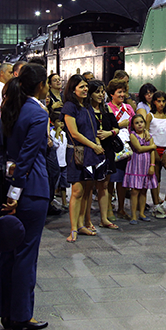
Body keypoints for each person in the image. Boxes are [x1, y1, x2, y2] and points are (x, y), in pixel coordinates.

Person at [0, 63, 53, 330]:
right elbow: (28, 158)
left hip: (8, 189)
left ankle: (7, 313)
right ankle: (21, 315)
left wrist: (8, 173)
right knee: (26, 254)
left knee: (8, 252)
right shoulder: (38, 114)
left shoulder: (10, 108)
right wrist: (16, 193)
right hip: (30, 191)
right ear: (41, 86)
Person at [61, 75, 106, 242]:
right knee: (77, 190)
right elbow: (74, 133)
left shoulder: (86, 107)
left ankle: (81, 224)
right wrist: (93, 145)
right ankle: (73, 228)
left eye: (86, 86)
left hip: (91, 154)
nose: (85, 89)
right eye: (81, 87)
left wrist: (97, 145)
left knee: (87, 190)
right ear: (73, 89)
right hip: (77, 153)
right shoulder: (69, 107)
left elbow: (93, 130)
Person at [87, 79, 120, 230]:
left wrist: (109, 133)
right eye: (97, 92)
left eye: (102, 92)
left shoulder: (107, 109)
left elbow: (117, 128)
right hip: (92, 150)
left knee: (104, 185)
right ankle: (87, 220)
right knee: (88, 187)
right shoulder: (86, 110)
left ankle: (104, 218)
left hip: (107, 150)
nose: (101, 95)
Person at [106, 78, 134, 219]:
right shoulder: (107, 108)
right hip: (113, 147)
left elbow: (134, 124)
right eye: (119, 92)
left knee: (123, 180)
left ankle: (121, 208)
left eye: (123, 92)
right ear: (112, 93)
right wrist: (119, 124)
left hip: (126, 147)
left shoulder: (128, 108)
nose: (122, 95)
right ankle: (109, 208)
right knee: (111, 179)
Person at [123, 114, 157, 224]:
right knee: (134, 191)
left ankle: (142, 213)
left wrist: (152, 165)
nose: (139, 125)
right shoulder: (132, 135)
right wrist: (151, 146)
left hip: (146, 166)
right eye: (136, 123)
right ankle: (133, 215)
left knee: (144, 190)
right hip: (135, 166)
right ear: (133, 125)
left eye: (141, 122)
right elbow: (139, 148)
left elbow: (152, 153)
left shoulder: (149, 135)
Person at [148, 91, 166, 219]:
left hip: (165, 151)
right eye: (158, 101)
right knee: (155, 179)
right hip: (154, 149)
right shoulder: (150, 116)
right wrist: (152, 150)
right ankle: (156, 204)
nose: (161, 104)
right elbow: (147, 134)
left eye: (163, 101)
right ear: (154, 102)